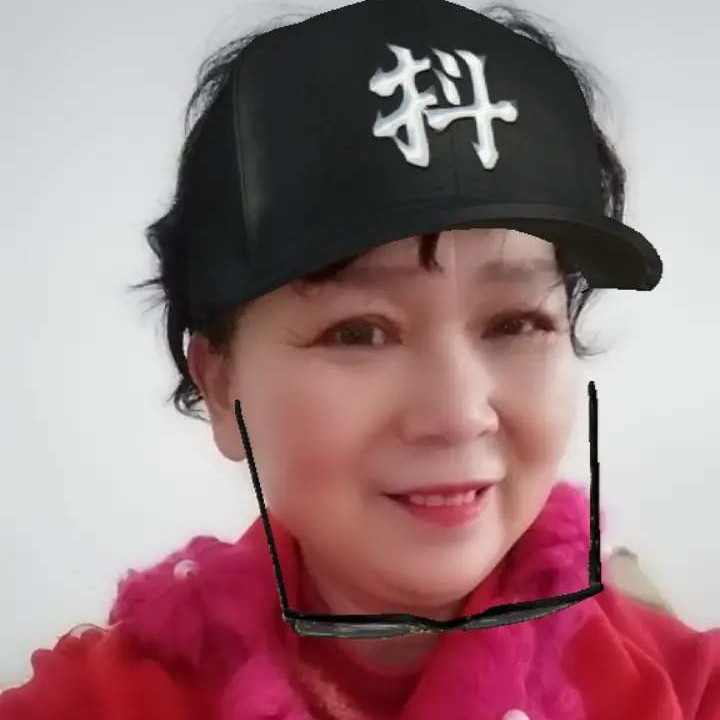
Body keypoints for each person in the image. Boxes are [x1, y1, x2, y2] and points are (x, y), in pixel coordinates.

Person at [1, 1, 718, 719]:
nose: (456, 414)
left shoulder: (685, 691)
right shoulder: (97, 704)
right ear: (221, 387)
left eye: (515, 322)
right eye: (358, 333)